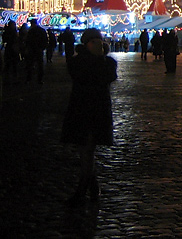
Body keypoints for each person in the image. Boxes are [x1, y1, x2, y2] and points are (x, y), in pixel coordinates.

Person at [61, 28, 117, 207]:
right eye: (94, 42)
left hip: (98, 112)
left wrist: (100, 58)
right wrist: (96, 60)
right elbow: (83, 77)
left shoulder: (108, 62)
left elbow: (107, 77)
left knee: (87, 151)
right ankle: (92, 188)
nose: (98, 44)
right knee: (85, 151)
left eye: (100, 41)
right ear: (86, 44)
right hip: (81, 110)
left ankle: (84, 190)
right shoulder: (77, 62)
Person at [25, 19, 48, 84]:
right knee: (40, 65)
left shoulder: (30, 31)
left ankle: (29, 79)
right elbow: (45, 40)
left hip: (32, 49)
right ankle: (39, 79)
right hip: (38, 49)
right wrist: (42, 48)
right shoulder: (41, 30)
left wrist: (27, 48)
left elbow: (28, 40)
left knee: (30, 64)